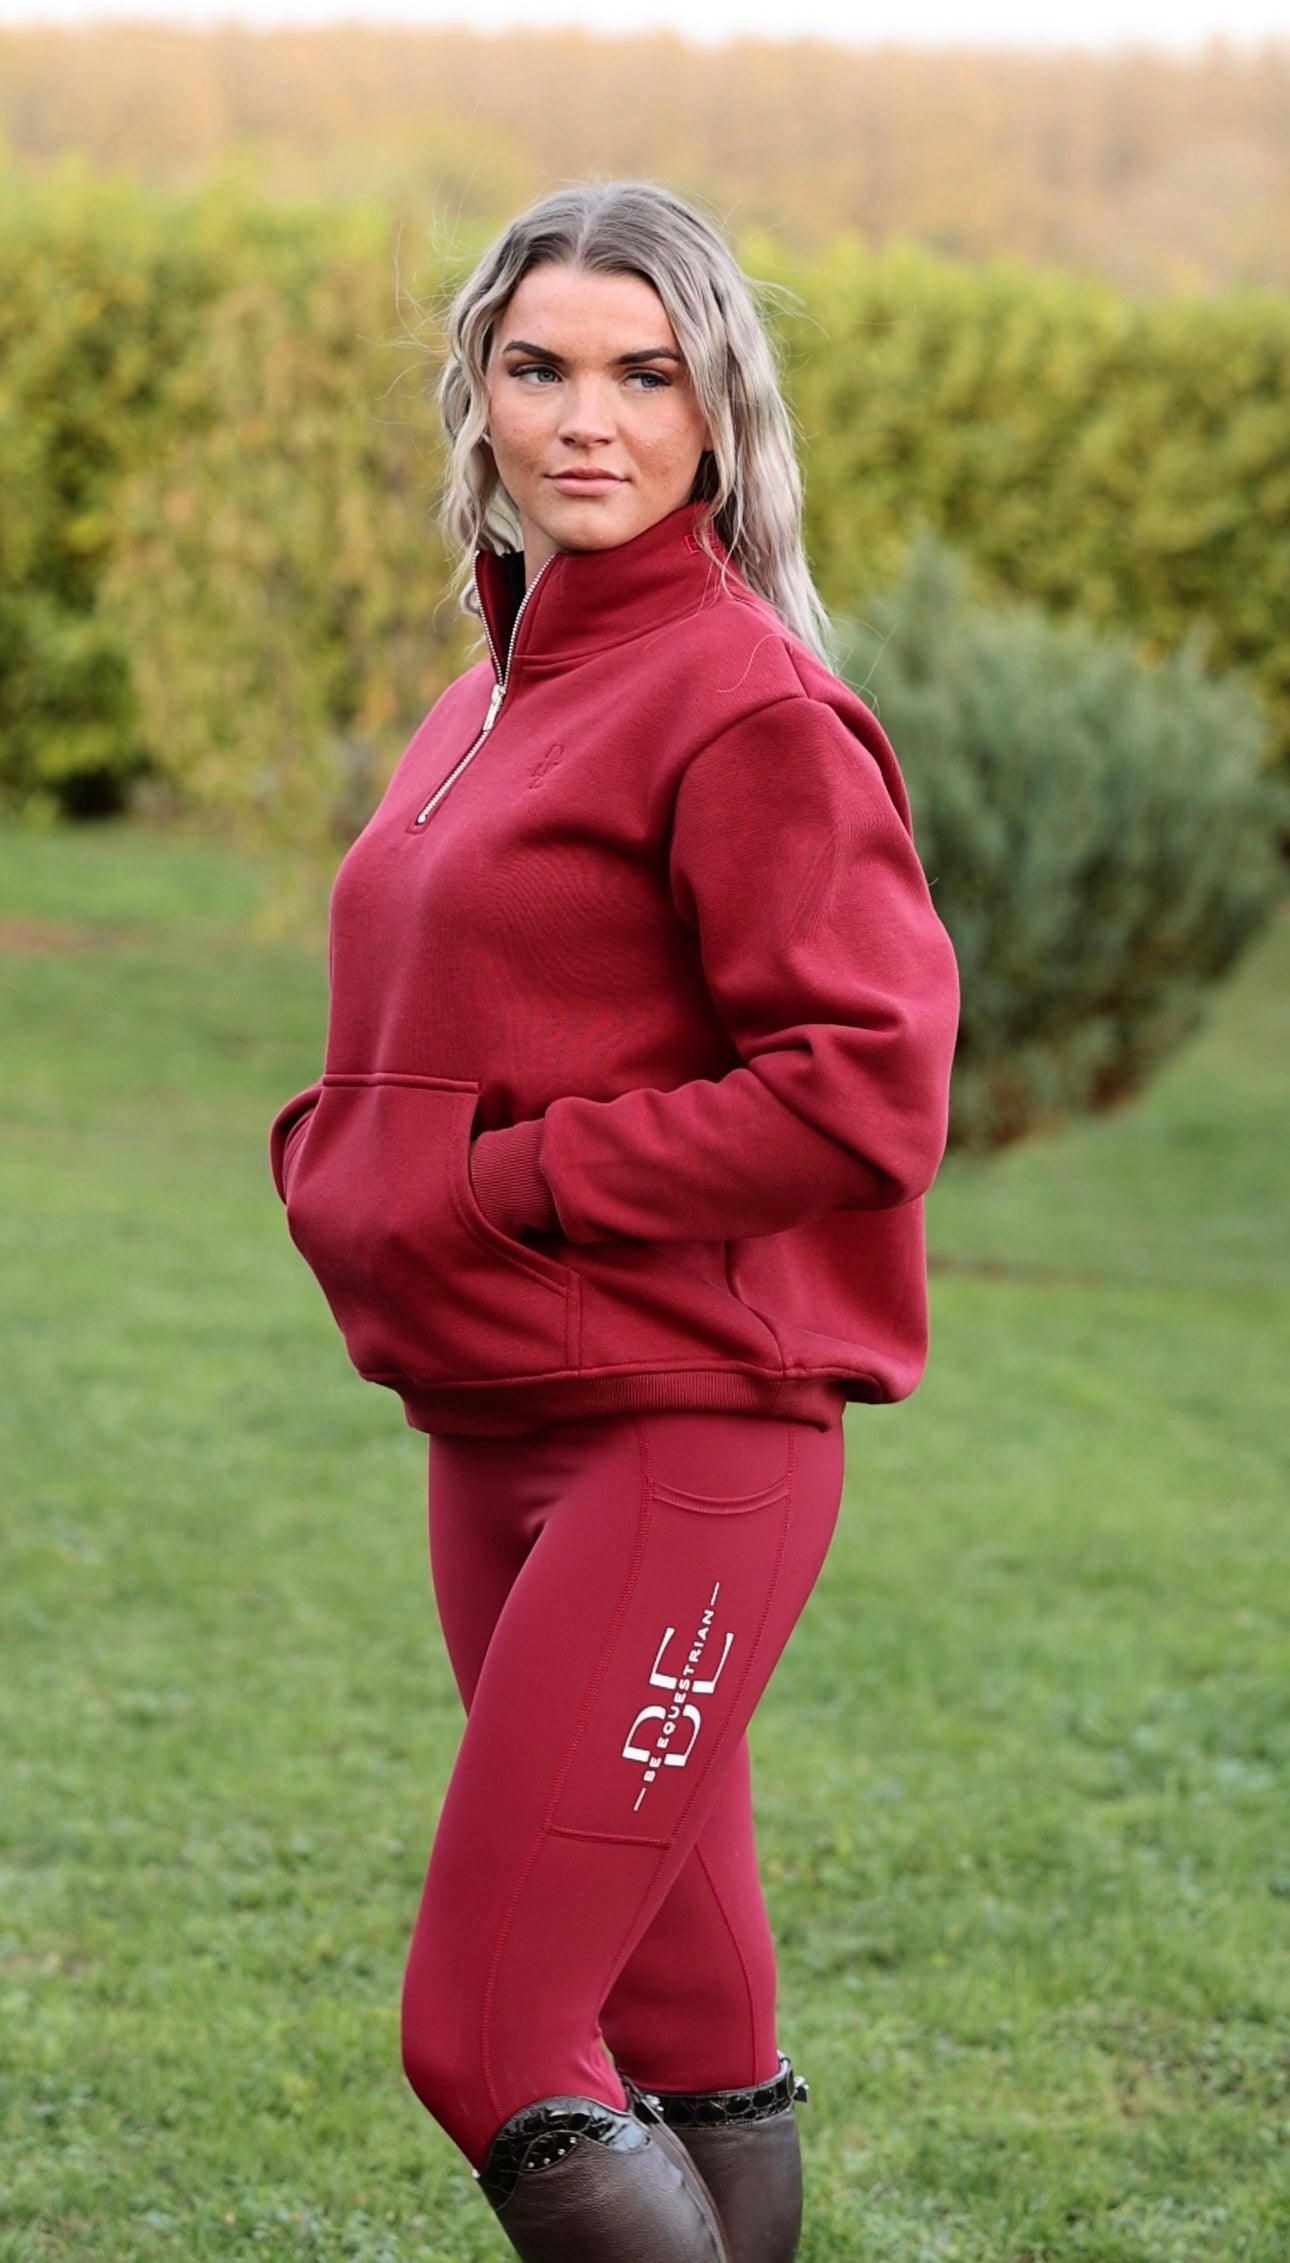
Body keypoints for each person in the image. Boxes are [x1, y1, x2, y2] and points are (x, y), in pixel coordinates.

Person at [268, 180, 960, 2263]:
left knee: (490, 2035)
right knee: (681, 2020)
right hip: (489, 1420)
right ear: (476, 397)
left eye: (645, 374)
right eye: (540, 367)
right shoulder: (483, 695)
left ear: (717, 408)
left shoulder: (742, 705)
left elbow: (866, 1086)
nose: (589, 418)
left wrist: (508, 1183)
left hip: (681, 1436)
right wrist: (346, 1156)